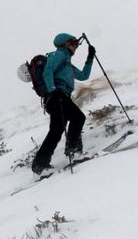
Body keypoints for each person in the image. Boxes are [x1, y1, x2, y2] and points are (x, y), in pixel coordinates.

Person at [32, 33, 96, 175]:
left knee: (56, 131)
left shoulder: (66, 63)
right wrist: (53, 90)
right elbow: (47, 71)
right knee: (78, 118)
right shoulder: (58, 55)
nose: (76, 46)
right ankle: (74, 151)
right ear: (65, 44)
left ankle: (40, 165)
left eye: (77, 43)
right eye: (73, 42)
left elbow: (83, 75)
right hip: (57, 96)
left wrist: (90, 57)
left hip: (57, 97)